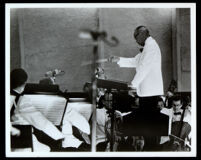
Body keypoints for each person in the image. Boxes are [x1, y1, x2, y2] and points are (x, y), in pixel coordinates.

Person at [108, 26, 164, 151]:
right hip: (146, 93)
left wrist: (133, 84)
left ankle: (151, 150)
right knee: (146, 126)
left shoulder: (151, 47)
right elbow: (136, 61)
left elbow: (144, 67)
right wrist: (119, 59)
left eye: (136, 37)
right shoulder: (147, 48)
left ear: (142, 34)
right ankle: (148, 149)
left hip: (150, 93)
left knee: (149, 128)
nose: (135, 40)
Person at [10, 68, 90, 152]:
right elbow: (40, 121)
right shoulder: (21, 100)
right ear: (24, 83)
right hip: (24, 143)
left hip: (15, 141)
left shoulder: (14, 97)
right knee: (47, 149)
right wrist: (59, 136)